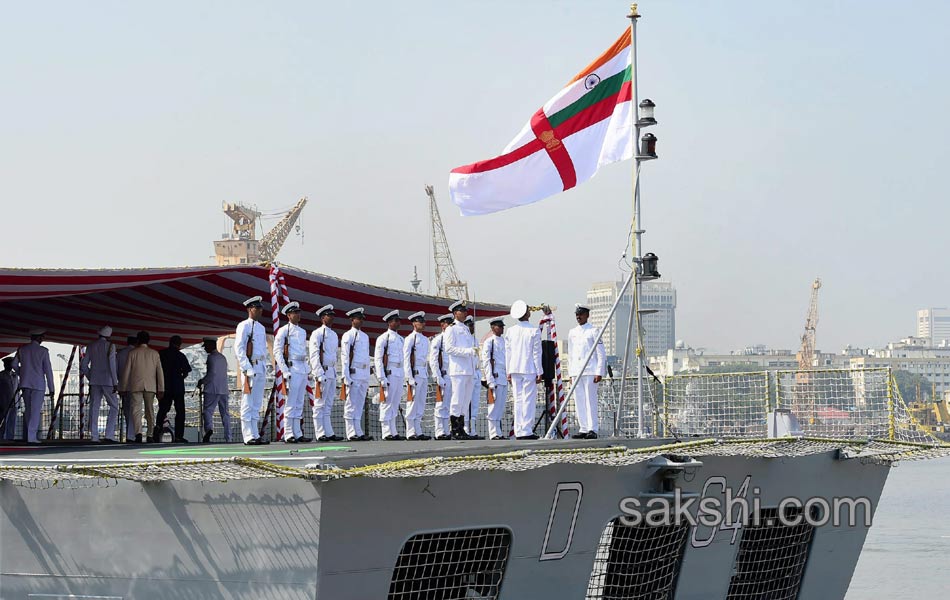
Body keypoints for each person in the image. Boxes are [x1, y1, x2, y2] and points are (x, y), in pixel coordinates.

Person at [274, 301, 312, 443]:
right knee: (290, 402)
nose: (298, 315)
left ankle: (297, 432)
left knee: (299, 402)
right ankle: (288, 433)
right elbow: (277, 351)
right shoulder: (284, 331)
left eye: (298, 312)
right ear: (289, 315)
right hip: (292, 367)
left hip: (302, 367)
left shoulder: (302, 332)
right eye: (295, 313)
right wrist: (284, 370)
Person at [505, 300, 542, 440]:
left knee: (518, 400)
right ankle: (526, 429)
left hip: (514, 368)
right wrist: (540, 371)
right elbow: (536, 353)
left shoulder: (510, 331)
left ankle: (519, 429)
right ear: (526, 313)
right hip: (529, 368)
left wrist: (508, 371)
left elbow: (508, 353)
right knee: (528, 400)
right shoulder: (533, 330)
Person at [569, 303, 606, 439]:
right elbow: (571, 353)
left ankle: (592, 428)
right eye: (577, 314)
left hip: (590, 370)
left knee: (590, 400)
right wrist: (571, 373)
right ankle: (583, 428)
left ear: (587, 315)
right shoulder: (572, 332)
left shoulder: (594, 331)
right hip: (577, 371)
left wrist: (599, 371)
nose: (578, 317)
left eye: (581, 314)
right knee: (579, 400)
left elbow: (601, 353)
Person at [235, 296, 269, 446]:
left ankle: (255, 433)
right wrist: (246, 367)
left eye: (260, 308)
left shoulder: (261, 328)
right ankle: (248, 435)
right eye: (257, 308)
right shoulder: (243, 326)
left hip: (260, 366)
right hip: (250, 367)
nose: (260, 311)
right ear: (250, 309)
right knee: (248, 403)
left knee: (257, 403)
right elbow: (239, 348)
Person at [119, 330, 164, 443]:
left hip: (135, 385)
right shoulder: (154, 353)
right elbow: (160, 372)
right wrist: (161, 388)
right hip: (150, 386)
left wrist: (123, 387)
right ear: (149, 340)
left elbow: (126, 372)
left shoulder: (132, 353)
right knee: (150, 410)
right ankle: (150, 434)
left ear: (138, 340)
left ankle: (138, 433)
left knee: (136, 410)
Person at [443, 300, 478, 440]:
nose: (465, 313)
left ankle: (462, 427)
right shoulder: (451, 329)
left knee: (465, 400)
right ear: (455, 313)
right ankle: (455, 429)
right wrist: (468, 351)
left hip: (468, 369)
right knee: (457, 399)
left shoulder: (465, 329)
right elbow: (449, 349)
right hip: (458, 369)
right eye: (462, 311)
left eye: (465, 311)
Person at [79, 325, 120, 443]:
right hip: (108, 381)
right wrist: (115, 382)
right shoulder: (111, 346)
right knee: (114, 406)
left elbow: (83, 366)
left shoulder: (91, 346)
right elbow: (112, 365)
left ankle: (94, 436)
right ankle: (109, 434)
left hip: (95, 381)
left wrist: (91, 377)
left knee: (94, 407)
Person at [309, 304, 342, 442]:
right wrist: (318, 373)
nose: (332, 318)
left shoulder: (333, 334)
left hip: (332, 371)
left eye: (333, 315)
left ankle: (329, 432)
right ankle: (320, 432)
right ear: (323, 318)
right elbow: (314, 354)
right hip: (322, 371)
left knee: (328, 404)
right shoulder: (317, 334)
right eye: (329, 315)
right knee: (319, 404)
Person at [16, 329, 55, 444]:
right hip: (38, 384)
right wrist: (52, 388)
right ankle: (31, 437)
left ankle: (29, 435)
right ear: (39, 338)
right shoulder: (43, 351)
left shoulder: (22, 350)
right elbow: (48, 371)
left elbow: (14, 364)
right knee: (35, 411)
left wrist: (22, 373)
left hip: (25, 383)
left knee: (28, 410)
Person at [341, 308, 372, 441]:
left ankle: (358, 430)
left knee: (359, 403)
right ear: (352, 320)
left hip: (363, 373)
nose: (361, 321)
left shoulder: (365, 336)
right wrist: (346, 375)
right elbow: (345, 357)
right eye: (358, 318)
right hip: (353, 372)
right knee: (351, 403)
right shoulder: (348, 335)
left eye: (362, 319)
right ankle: (350, 431)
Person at [375, 310, 405, 441]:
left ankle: (393, 430)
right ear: (389, 322)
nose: (398, 323)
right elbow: (378, 359)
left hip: (399, 373)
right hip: (389, 373)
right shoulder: (383, 338)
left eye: (398, 320)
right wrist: (381, 377)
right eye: (395, 321)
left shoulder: (400, 339)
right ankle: (386, 431)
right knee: (386, 402)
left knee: (395, 402)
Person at [157, 335, 192, 443]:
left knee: (162, 410)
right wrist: (180, 378)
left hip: (165, 387)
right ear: (180, 344)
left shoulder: (161, 354)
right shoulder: (181, 356)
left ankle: (156, 433)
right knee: (180, 412)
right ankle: (178, 436)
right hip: (178, 387)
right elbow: (186, 371)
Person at [402, 311, 430, 441]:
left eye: (423, 322)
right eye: (420, 322)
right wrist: (409, 377)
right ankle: (410, 431)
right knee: (412, 403)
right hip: (415, 373)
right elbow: (406, 359)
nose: (423, 324)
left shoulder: (425, 339)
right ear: (414, 323)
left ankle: (418, 429)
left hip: (423, 373)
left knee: (420, 403)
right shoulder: (410, 339)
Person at [198, 337, 230, 443]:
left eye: (206, 346)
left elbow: (211, 374)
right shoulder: (223, 357)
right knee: (225, 414)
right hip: (224, 389)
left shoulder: (211, 358)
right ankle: (228, 437)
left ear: (211, 345)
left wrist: (202, 381)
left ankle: (209, 429)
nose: (205, 349)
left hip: (212, 389)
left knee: (208, 411)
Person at [428, 313, 455, 440]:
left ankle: (446, 430)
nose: (450, 326)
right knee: (441, 405)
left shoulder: (453, 338)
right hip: (443, 375)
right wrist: (437, 376)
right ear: (442, 325)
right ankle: (439, 431)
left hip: (453, 375)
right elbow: (433, 360)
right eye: (447, 324)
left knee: (449, 405)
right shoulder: (439, 339)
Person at [482, 318, 508, 440]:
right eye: (499, 326)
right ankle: (493, 433)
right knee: (493, 407)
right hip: (495, 376)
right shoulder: (489, 342)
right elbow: (486, 362)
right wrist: (490, 379)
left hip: (503, 376)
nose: (502, 328)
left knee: (500, 406)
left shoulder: (504, 341)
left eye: (502, 326)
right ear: (493, 328)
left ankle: (499, 432)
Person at [464, 315, 484, 439]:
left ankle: (473, 428)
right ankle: (466, 428)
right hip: (468, 373)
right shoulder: (464, 340)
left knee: (475, 402)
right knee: (466, 402)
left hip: (476, 373)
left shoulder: (475, 340)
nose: (473, 328)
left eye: (473, 325)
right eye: (470, 325)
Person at [115, 335, 137, 441]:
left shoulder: (120, 354)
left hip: (123, 386)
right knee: (135, 411)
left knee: (127, 411)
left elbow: (116, 370)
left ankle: (129, 434)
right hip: (135, 386)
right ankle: (132, 435)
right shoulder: (136, 353)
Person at [0, 356, 20, 441]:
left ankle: (10, 439)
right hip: (4, 403)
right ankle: (1, 439)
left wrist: (18, 402)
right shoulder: (1, 376)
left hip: (14, 402)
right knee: (3, 422)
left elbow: (17, 389)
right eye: (7, 364)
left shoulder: (15, 376)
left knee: (12, 423)